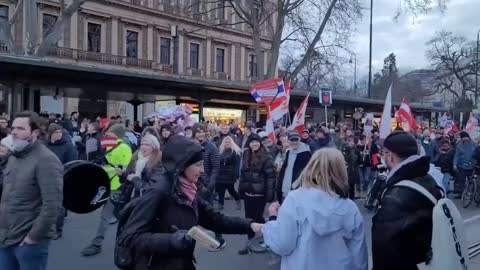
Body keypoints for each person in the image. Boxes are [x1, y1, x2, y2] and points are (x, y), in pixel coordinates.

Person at [116, 135, 263, 270]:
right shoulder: (159, 191)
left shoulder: (188, 190)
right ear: (182, 165)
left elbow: (216, 220)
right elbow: (130, 238)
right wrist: (171, 241)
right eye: (198, 165)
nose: (202, 170)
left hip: (183, 263)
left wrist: (251, 225)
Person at [262, 148, 368, 270]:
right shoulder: (349, 207)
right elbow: (358, 255)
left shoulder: (295, 199)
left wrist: (272, 221)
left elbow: (283, 244)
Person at [0, 111, 63, 270]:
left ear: (34, 132)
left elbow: (52, 205)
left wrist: (33, 237)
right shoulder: (14, 156)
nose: (14, 132)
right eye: (13, 128)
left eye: (21, 128)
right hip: (6, 237)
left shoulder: (46, 160)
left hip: (28, 242)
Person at [372, 131, 443, 270]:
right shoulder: (428, 179)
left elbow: (384, 250)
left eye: (383, 152)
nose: (382, 156)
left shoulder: (395, 196)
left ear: (390, 156)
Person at [81, 124, 133, 256]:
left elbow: (125, 170)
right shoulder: (109, 145)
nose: (108, 133)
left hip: (116, 188)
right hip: (105, 185)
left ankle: (96, 244)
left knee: (106, 217)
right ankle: (131, 239)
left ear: (118, 134)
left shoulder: (125, 148)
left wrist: (120, 176)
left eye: (111, 132)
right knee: (120, 216)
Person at [238, 134, 276, 255]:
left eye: (257, 142)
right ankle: (249, 243)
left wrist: (270, 195)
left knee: (258, 218)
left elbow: (271, 178)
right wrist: (241, 190)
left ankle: (266, 239)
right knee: (248, 219)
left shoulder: (266, 157)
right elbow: (242, 176)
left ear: (260, 143)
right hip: (248, 193)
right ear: (248, 144)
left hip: (260, 194)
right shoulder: (245, 155)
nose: (254, 144)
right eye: (252, 142)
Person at [277, 131, 312, 203]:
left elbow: (307, 172)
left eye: (296, 140)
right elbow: (285, 169)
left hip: (297, 188)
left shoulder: (306, 153)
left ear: (299, 140)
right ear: (288, 141)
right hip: (285, 185)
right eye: (292, 140)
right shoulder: (289, 151)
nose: (294, 142)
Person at [216, 136, 242, 211]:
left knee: (231, 190)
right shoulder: (220, 151)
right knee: (221, 190)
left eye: (229, 142)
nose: (227, 143)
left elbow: (237, 164)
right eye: (226, 142)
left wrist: (236, 175)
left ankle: (238, 200)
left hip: (230, 175)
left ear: (232, 142)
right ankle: (221, 204)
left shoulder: (235, 152)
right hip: (220, 173)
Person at [453, 131, 477, 198]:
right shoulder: (459, 145)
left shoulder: (474, 144)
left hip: (471, 164)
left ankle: (469, 192)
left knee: (470, 179)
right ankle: (462, 193)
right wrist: (454, 164)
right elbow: (456, 155)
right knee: (462, 179)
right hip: (462, 165)